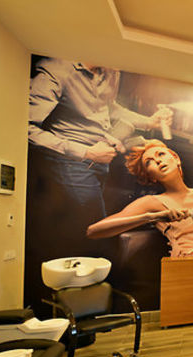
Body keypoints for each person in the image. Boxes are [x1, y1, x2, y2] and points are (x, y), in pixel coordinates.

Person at [25, 57, 173, 311]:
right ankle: (81, 310)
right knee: (97, 234)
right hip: (69, 162)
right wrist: (85, 152)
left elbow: (110, 108)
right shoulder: (56, 71)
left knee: (91, 236)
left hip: (100, 162)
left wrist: (149, 121)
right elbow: (26, 127)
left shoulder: (111, 70)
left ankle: (91, 307)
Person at [86, 120, 193, 256]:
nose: (158, 161)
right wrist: (152, 217)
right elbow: (93, 231)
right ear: (151, 176)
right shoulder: (151, 202)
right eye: (149, 162)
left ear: (176, 158)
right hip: (184, 262)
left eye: (160, 154)